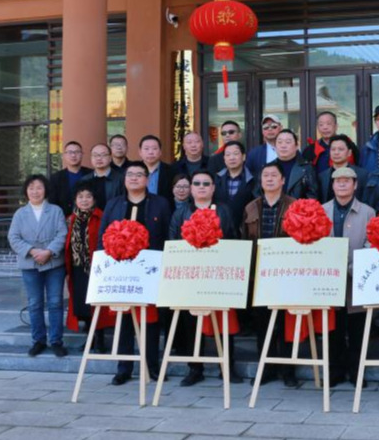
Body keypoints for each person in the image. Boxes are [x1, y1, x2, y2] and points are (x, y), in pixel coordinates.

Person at [99, 161, 172, 386]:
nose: (134, 178)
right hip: (120, 271)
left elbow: (168, 236)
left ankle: (151, 366)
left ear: (147, 180)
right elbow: (103, 236)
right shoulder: (113, 204)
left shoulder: (160, 204)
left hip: (149, 271)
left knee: (149, 321)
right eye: (130, 174)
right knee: (124, 320)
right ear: (124, 179)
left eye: (139, 174)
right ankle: (124, 368)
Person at [169, 169, 241, 386]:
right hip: (191, 277)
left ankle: (227, 367)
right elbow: (173, 242)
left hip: (218, 275)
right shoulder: (181, 212)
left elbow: (233, 239)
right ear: (191, 188)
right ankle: (195, 368)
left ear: (213, 188)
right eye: (197, 183)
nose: (201, 187)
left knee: (224, 322)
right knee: (192, 324)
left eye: (206, 183)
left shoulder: (224, 210)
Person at [242, 163, 298, 386]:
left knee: (286, 324)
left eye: (274, 175)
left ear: (283, 180)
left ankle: (288, 370)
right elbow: (244, 240)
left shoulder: (294, 206)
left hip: (286, 274)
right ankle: (266, 368)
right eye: (266, 175)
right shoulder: (251, 208)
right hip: (259, 276)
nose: (270, 179)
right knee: (263, 324)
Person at [322, 167, 376, 387]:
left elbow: (371, 243)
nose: (342, 184)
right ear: (332, 185)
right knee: (332, 329)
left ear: (355, 185)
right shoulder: (322, 210)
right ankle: (334, 371)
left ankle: (357, 373)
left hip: (356, 279)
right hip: (329, 280)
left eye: (347, 181)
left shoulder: (368, 212)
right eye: (338, 181)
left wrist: (352, 268)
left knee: (357, 329)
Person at [8, 174, 69, 357]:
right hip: (30, 264)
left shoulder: (56, 211)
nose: (35, 191)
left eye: (39, 187)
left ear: (46, 190)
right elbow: (13, 237)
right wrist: (33, 251)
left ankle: (56, 341)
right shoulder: (20, 213)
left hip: (54, 264)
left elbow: (62, 234)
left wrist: (48, 252)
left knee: (55, 302)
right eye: (31, 188)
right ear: (26, 191)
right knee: (34, 303)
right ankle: (38, 341)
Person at [64, 182, 110, 353]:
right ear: (75, 200)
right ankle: (90, 339)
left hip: (97, 269)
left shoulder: (101, 216)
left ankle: (100, 340)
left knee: (98, 305)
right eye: (80, 197)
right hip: (77, 269)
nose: (84, 200)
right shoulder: (70, 220)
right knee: (83, 305)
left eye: (88, 196)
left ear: (94, 199)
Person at [215, 141, 256, 231]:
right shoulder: (216, 180)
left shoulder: (254, 180)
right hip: (220, 230)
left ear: (243, 157)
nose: (232, 158)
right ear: (224, 159)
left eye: (236, 154)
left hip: (246, 229)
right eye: (228, 155)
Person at [318, 135, 368, 203]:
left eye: (340, 149)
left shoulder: (362, 175)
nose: (336, 153)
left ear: (349, 152)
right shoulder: (322, 176)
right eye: (333, 149)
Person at [49, 141, 93, 216]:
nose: (73, 155)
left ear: (82, 154)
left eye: (77, 152)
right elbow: (52, 203)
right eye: (70, 152)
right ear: (64, 155)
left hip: (90, 217)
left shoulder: (91, 174)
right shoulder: (55, 178)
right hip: (64, 218)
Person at [274, 129, 319, 200]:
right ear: (275, 146)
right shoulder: (268, 168)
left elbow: (312, 197)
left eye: (288, 142)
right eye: (280, 142)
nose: (283, 146)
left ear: (296, 146)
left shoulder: (307, 168)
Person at [81, 143, 124, 210]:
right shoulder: (85, 180)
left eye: (103, 155)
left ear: (110, 158)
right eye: (95, 155)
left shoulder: (121, 179)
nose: (99, 158)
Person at [139, 135, 177, 203]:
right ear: (140, 152)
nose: (150, 152)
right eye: (146, 149)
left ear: (160, 152)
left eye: (154, 148)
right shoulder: (132, 171)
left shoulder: (172, 171)